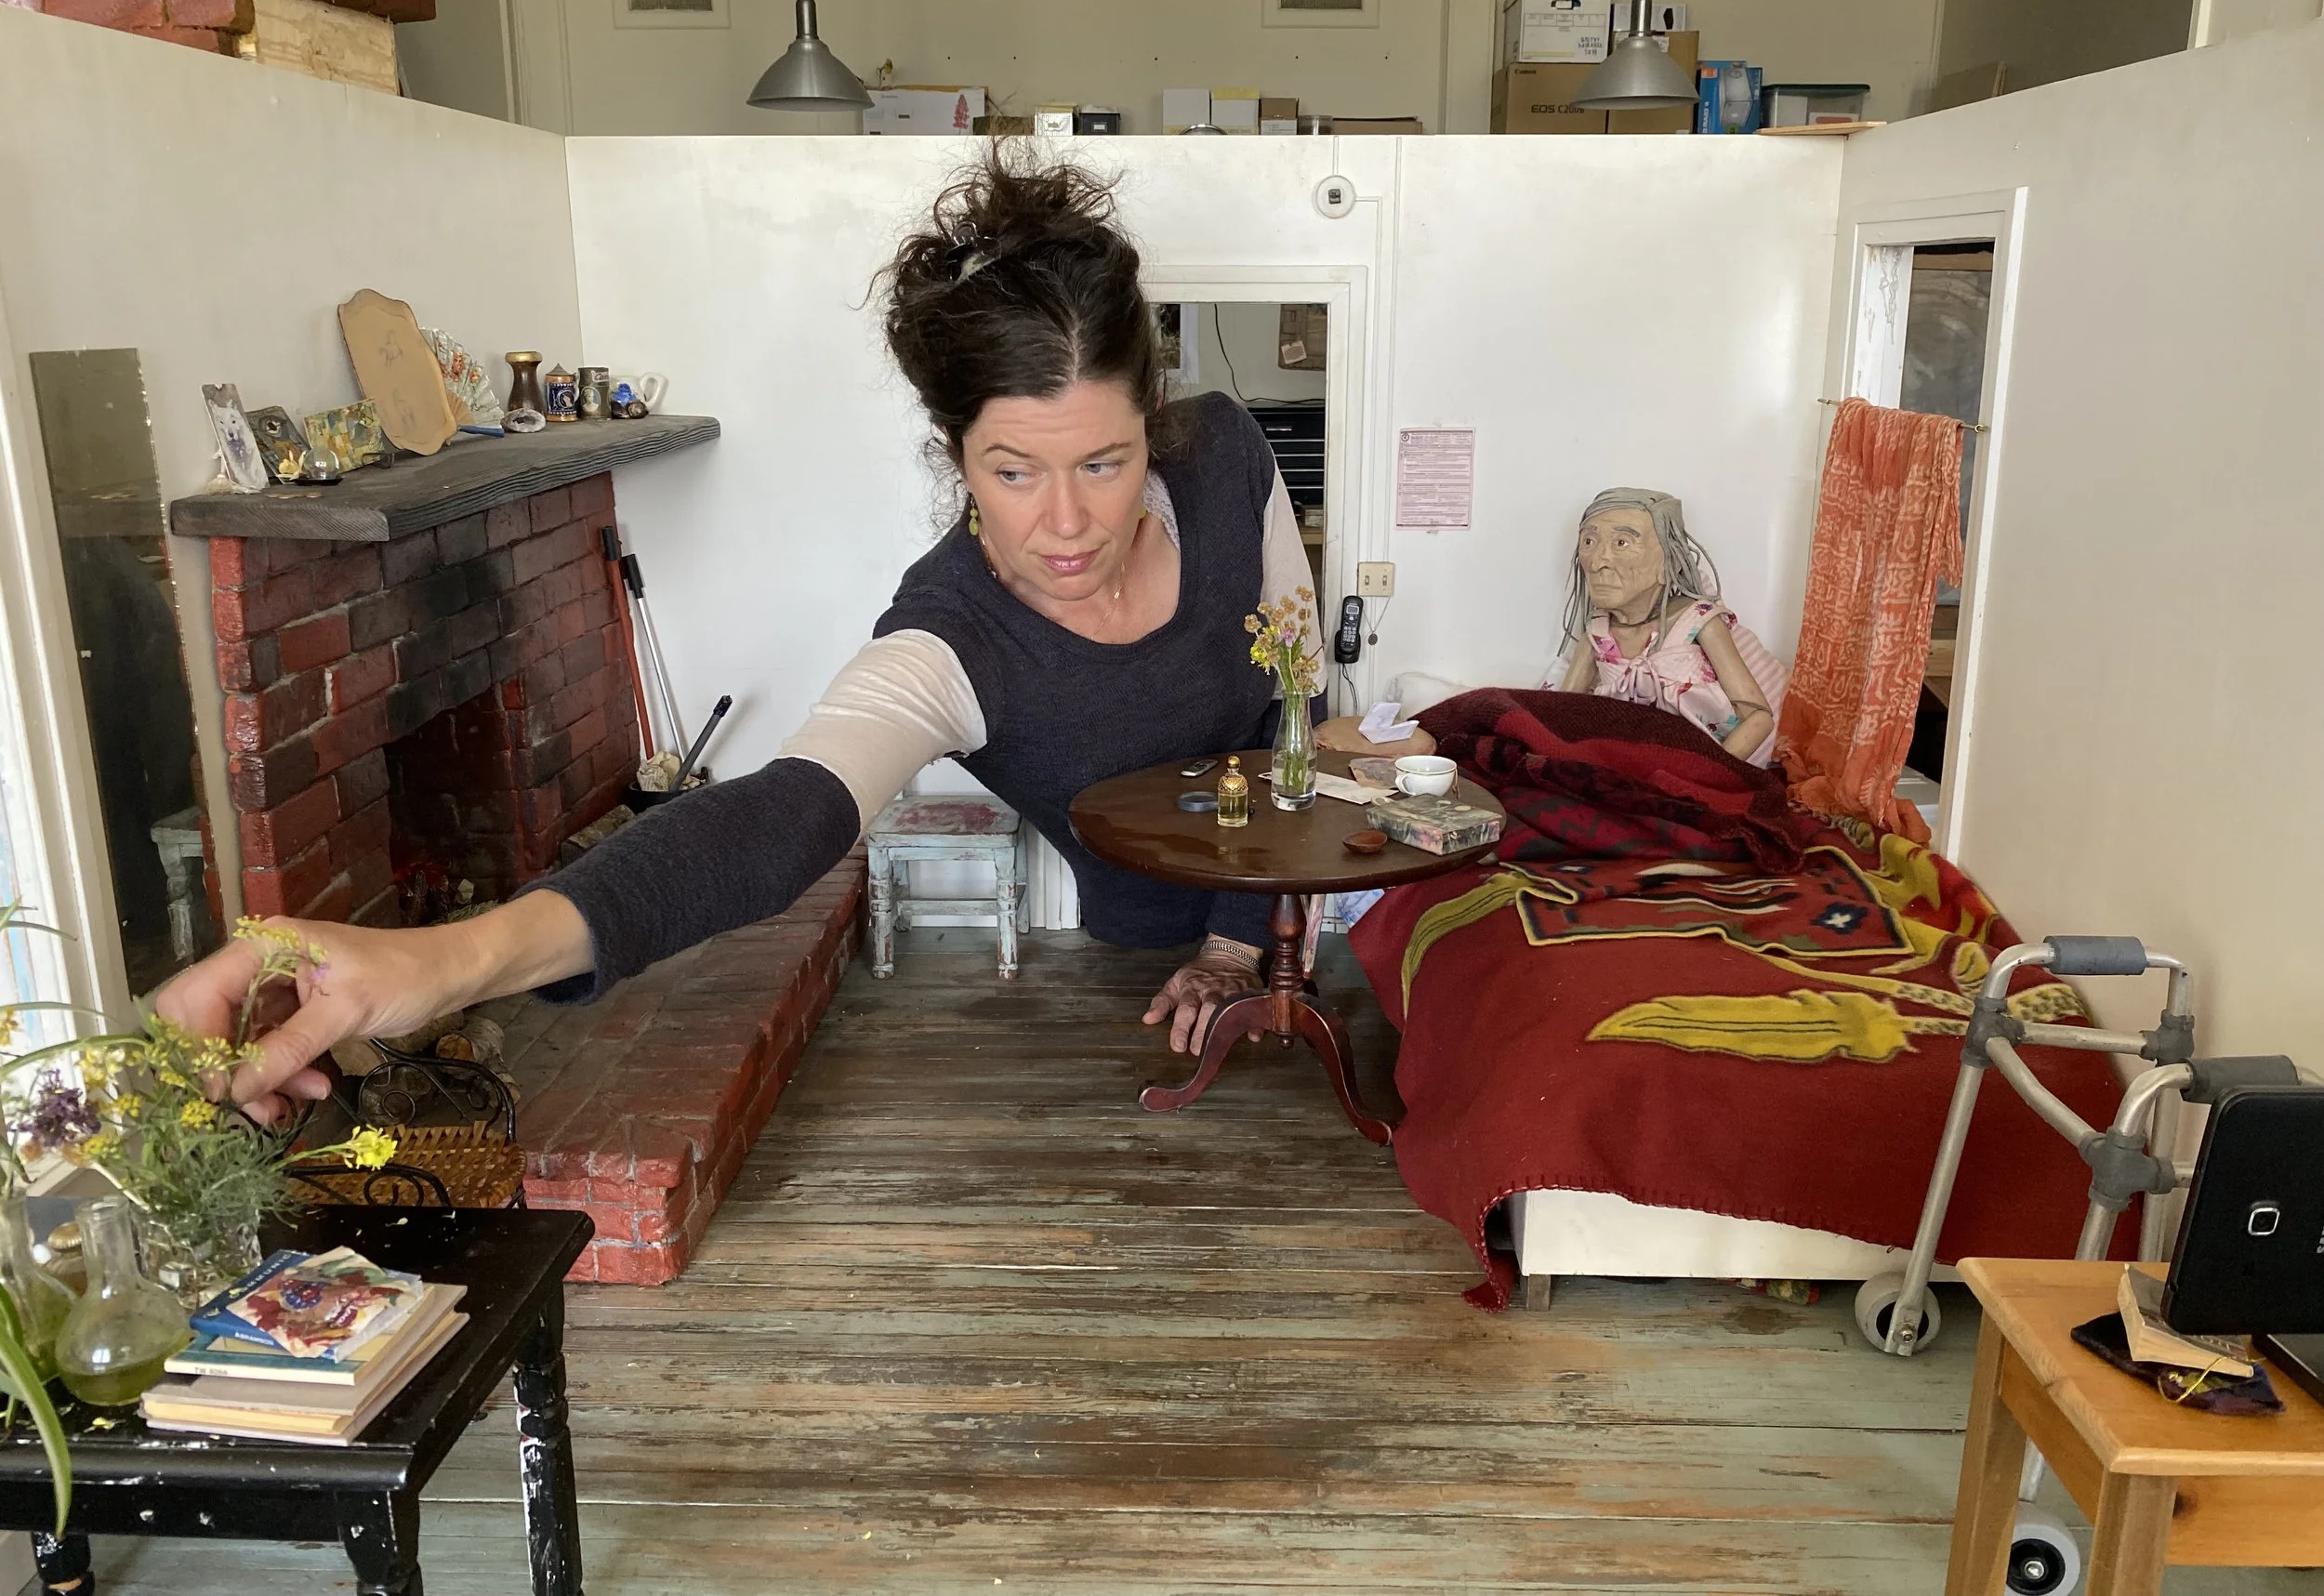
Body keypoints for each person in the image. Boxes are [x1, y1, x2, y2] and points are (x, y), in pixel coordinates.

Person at [158, 150, 1326, 1124]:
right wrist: (449, 959)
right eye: (1013, 471)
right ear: (956, 456)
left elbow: (1293, 700)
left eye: (1104, 463)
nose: (1066, 525)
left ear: (1152, 424)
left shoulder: (1226, 461)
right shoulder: (952, 638)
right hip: (1137, 963)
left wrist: (1246, 941)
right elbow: (779, 816)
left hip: (1298, 906)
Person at [1553, 488, 1787, 765]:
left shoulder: (1698, 623)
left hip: (1695, 766)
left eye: (1621, 543)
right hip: (1623, 765)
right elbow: (1559, 713)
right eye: (1589, 541)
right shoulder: (1597, 634)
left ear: (1669, 561)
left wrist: (1707, 775)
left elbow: (1758, 717)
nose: (1597, 561)